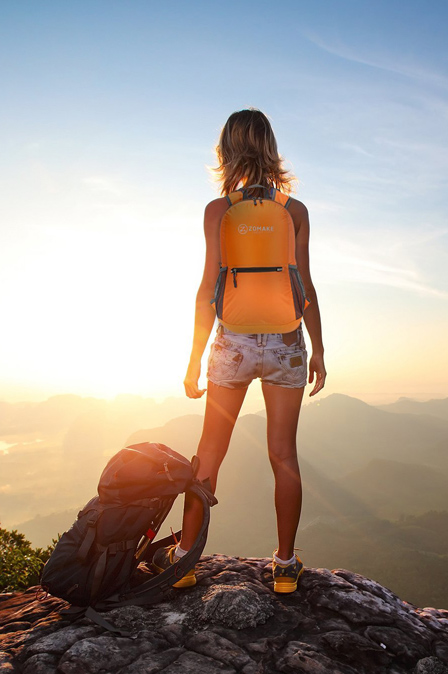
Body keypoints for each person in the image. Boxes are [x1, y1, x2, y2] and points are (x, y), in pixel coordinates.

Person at [152, 109, 326, 593]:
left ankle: (184, 559)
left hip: (231, 342)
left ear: (227, 150)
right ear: (271, 147)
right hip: (287, 341)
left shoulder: (217, 210)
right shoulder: (294, 211)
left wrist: (193, 360)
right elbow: (305, 285)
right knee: (283, 456)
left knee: (209, 452)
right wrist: (318, 349)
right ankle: (285, 566)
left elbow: (208, 287)